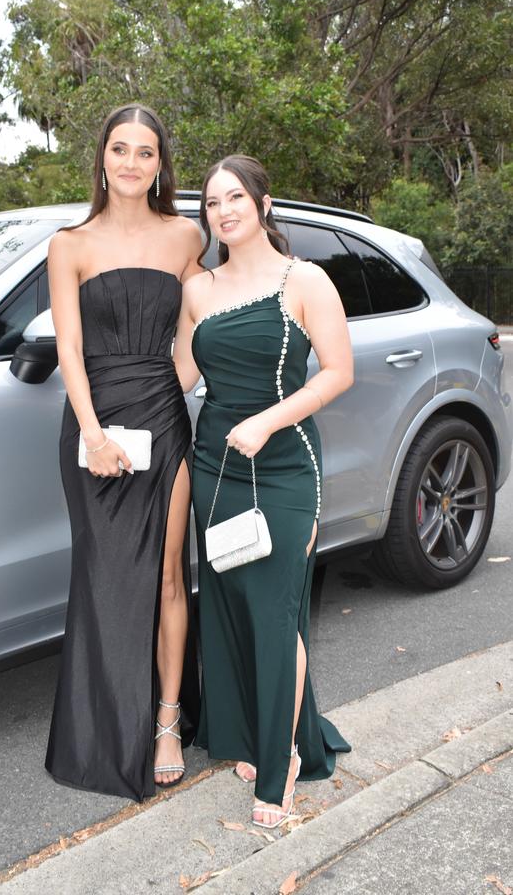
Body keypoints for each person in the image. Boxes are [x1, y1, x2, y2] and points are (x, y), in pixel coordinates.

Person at [173, 155, 353, 828]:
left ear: (263, 204)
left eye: (235, 199)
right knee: (231, 606)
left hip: (283, 466)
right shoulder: (198, 290)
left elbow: (337, 372)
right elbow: (180, 376)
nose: (223, 212)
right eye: (213, 203)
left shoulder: (303, 280)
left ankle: (279, 771)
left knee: (278, 615)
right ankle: (257, 733)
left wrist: (269, 420)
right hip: (217, 466)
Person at [45, 103, 202, 801]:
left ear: (161, 164)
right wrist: (92, 432)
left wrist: (176, 384)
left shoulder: (185, 236)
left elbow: (201, 323)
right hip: (93, 428)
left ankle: (166, 721)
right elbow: (69, 350)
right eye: (119, 149)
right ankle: (104, 725)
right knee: (105, 579)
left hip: (163, 423)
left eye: (145, 151)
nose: (132, 163)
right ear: (101, 159)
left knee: (168, 575)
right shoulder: (69, 244)